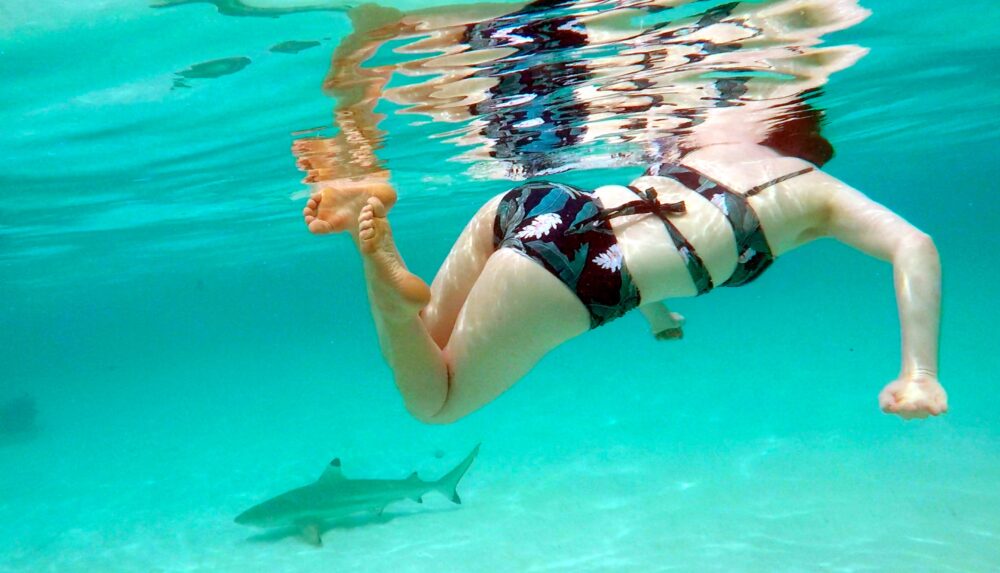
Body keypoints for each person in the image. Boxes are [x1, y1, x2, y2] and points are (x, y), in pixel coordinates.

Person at [298, 0, 947, 424]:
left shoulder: (708, 140)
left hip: (548, 205)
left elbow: (650, 224)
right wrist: (920, 373)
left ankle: (368, 213)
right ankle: (374, 266)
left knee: (427, 345)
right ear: (806, 146)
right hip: (580, 270)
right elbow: (913, 244)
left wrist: (658, 314)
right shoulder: (816, 192)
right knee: (433, 401)